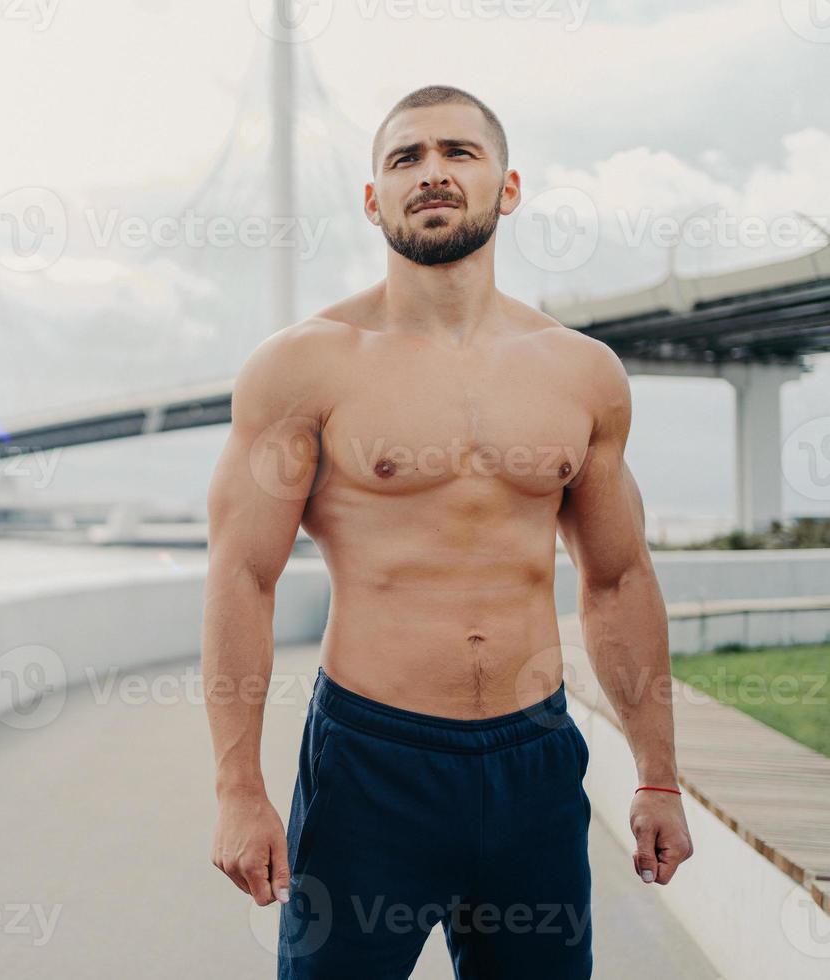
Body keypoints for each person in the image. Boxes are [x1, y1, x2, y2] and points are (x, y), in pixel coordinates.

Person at [200, 84, 694, 979]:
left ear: (506, 187)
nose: (431, 172)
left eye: (457, 153)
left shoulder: (582, 373)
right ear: (372, 200)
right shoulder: (302, 366)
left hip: (534, 762)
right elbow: (242, 576)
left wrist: (657, 775)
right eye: (405, 158)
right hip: (369, 764)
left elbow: (617, 579)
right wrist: (240, 789)